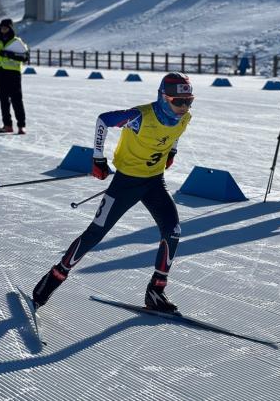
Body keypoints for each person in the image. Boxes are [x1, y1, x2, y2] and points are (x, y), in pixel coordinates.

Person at [32, 72, 194, 313]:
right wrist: (97, 158)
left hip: (154, 182)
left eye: (189, 101)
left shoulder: (185, 117)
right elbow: (103, 120)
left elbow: (176, 133)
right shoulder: (139, 117)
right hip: (125, 183)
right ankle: (54, 278)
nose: (183, 107)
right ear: (163, 98)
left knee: (173, 231)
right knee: (95, 234)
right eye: (178, 102)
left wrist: (172, 152)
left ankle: (156, 291)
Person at [0, 18, 30, 134]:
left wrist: (8, 54)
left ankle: (21, 126)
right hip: (0, 74)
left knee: (17, 100)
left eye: (6, 28)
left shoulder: (17, 42)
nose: (3, 30)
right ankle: (7, 125)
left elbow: (25, 57)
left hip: (13, 74)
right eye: (2, 27)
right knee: (4, 101)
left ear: (10, 29)